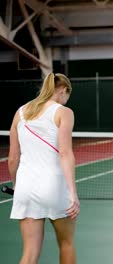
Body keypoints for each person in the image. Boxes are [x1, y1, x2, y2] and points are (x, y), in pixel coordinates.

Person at [8, 73, 80, 264]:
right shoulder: (64, 112)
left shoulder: (21, 112)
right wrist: (73, 193)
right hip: (54, 188)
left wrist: (16, 185)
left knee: (29, 253)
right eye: (67, 96)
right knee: (66, 244)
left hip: (25, 188)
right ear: (64, 91)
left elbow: (13, 158)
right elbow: (65, 153)